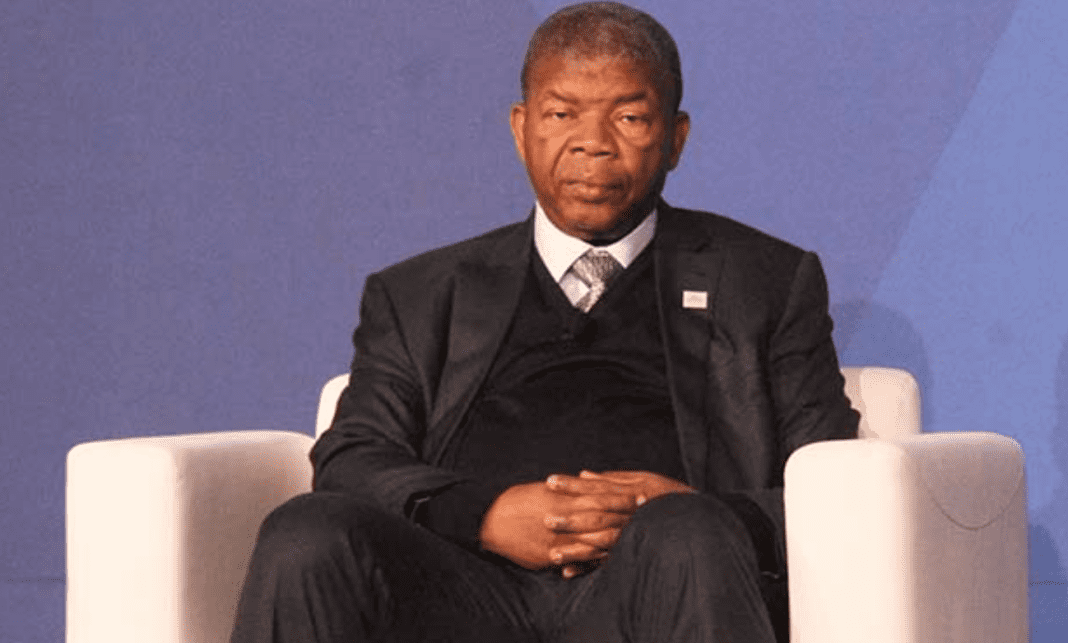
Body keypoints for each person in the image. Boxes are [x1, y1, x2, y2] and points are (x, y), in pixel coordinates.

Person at [231, 3, 859, 642]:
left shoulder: (765, 282)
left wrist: (687, 509)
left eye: (629, 117)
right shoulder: (421, 293)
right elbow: (353, 456)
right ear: (521, 128)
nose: (593, 142)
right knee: (304, 534)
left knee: (685, 531)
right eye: (562, 115)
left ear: (675, 139)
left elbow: (835, 485)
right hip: (462, 587)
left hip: (658, 582)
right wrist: (486, 515)